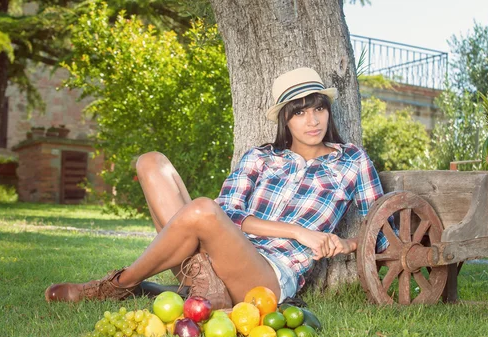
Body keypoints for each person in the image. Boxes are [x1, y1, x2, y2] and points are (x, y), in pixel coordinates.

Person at [44, 67, 389, 309]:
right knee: (151, 162)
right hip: (206, 260)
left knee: (202, 210)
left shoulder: (351, 161)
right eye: (300, 113)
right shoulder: (260, 158)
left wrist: (347, 243)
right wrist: (299, 231)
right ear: (286, 118)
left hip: (266, 277)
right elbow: (228, 214)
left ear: (328, 111)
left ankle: (116, 286)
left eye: (318, 109)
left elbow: (385, 233)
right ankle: (202, 285)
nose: (312, 121)